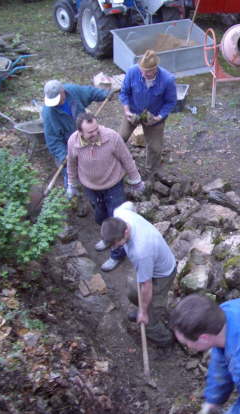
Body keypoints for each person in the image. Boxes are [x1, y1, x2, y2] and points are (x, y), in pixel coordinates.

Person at [66, 113, 144, 272]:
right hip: (90, 187)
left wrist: (136, 179)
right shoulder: (73, 142)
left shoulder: (112, 137)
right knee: (100, 216)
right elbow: (71, 164)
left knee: (116, 220)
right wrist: (72, 184)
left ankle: (117, 254)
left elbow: (127, 159)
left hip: (113, 184)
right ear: (80, 133)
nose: (95, 133)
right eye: (90, 132)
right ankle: (107, 239)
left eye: (96, 129)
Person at [101, 202, 176, 346]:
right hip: (149, 265)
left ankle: (164, 339)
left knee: (150, 316)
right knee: (133, 291)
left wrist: (143, 312)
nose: (115, 247)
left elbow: (146, 285)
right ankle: (144, 308)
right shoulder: (120, 213)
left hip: (162, 274)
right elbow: (130, 204)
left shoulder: (141, 251)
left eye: (116, 243)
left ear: (126, 233)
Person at [119, 49, 177, 177]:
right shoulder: (132, 72)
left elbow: (171, 102)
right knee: (120, 138)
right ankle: (117, 165)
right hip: (133, 112)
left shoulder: (167, 80)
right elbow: (124, 93)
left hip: (154, 116)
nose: (144, 75)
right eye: (142, 71)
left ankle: (150, 173)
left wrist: (160, 116)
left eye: (148, 72)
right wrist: (127, 110)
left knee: (155, 148)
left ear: (155, 68)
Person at [41, 80, 109, 187]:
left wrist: (104, 94)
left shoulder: (73, 91)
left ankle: (97, 181)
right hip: (66, 144)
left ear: (63, 92)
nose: (56, 103)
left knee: (92, 160)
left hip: (84, 135)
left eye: (57, 99)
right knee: (70, 171)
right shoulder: (49, 113)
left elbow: (89, 92)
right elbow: (53, 140)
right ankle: (71, 189)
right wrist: (63, 156)